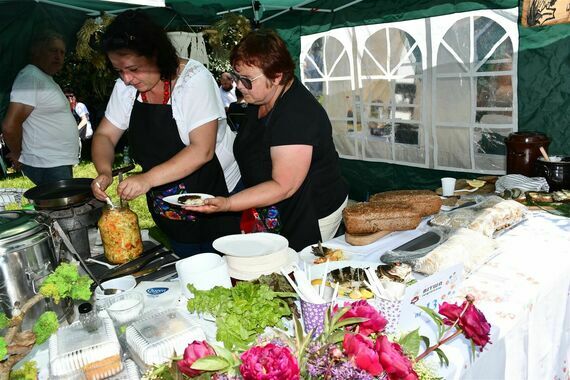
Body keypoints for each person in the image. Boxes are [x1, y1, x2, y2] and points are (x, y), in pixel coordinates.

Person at [91, 11, 241, 257]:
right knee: (188, 262)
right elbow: (105, 135)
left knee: (227, 264)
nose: (127, 79)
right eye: (119, 71)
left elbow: (201, 150)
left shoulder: (194, 80)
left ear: (156, 55)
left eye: (133, 69)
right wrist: (105, 171)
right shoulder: (126, 88)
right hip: (168, 201)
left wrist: (147, 179)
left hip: (219, 191)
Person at [185, 29, 349, 251]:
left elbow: (283, 186)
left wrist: (229, 203)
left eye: (246, 80)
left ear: (277, 75)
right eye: (236, 77)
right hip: (275, 208)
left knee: (296, 269)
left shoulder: (296, 116)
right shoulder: (259, 100)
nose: (239, 86)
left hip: (309, 210)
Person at [1, 30, 79, 185]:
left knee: (60, 207)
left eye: (62, 52)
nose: (59, 56)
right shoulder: (30, 77)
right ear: (37, 52)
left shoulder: (43, 78)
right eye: (53, 50)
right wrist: (18, 153)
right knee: (60, 208)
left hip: (54, 162)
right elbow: (10, 126)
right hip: (47, 163)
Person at [65, 89, 93, 159]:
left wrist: (75, 130)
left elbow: (84, 120)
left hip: (85, 128)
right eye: (67, 96)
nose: (70, 98)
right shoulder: (67, 108)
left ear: (75, 97)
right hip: (73, 128)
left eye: (71, 96)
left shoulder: (79, 106)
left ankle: (76, 158)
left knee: (75, 137)